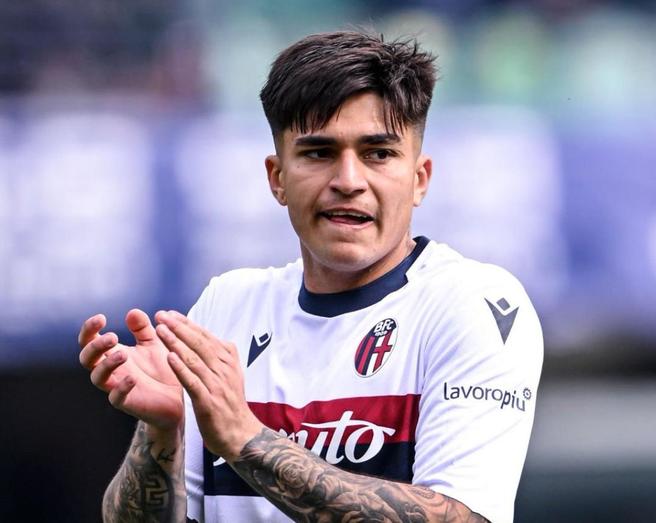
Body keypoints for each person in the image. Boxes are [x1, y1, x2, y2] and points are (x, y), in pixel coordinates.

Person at [78, 31, 543, 523]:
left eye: (378, 153)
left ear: (419, 179)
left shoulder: (474, 305)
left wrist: (246, 439)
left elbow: (462, 518)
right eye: (319, 153)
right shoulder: (226, 307)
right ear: (277, 178)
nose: (349, 181)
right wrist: (161, 432)